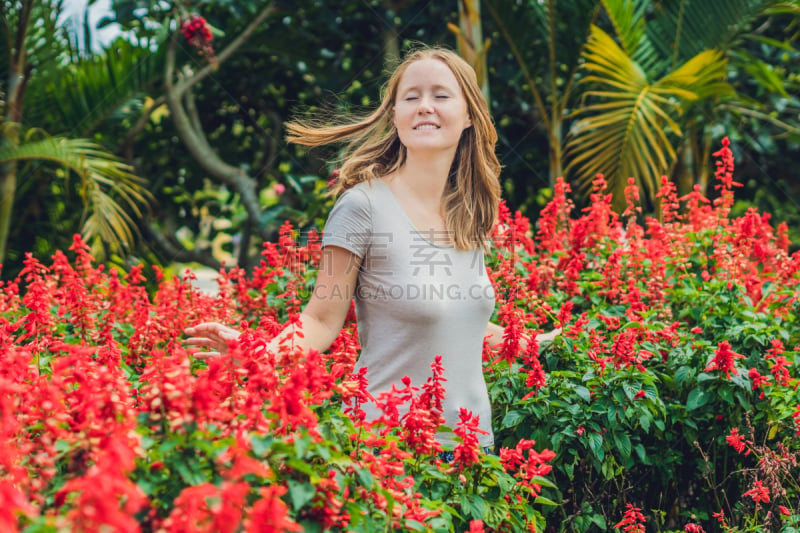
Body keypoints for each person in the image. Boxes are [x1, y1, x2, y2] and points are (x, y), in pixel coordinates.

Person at [185, 46, 559, 452]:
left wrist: (534, 342)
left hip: (474, 448)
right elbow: (321, 320)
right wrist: (257, 352)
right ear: (394, 115)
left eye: (441, 95)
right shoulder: (362, 208)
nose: (425, 107)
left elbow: (451, 314)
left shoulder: (469, 213)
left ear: (469, 115)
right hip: (389, 449)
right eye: (411, 97)